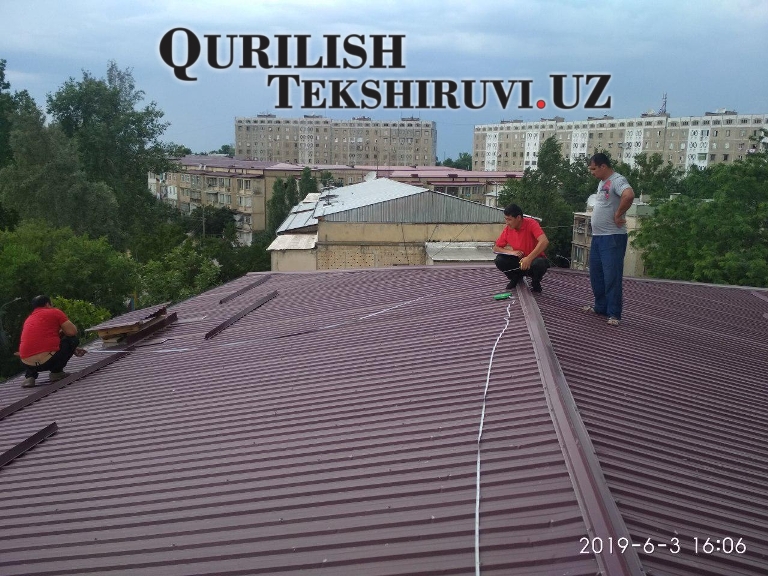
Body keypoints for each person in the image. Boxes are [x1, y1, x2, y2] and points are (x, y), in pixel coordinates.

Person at [585, 153, 635, 326]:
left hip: (612, 237)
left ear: (603, 166)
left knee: (611, 275)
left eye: (593, 169)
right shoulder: (602, 182)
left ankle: (614, 313)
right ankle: (601, 307)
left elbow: (628, 195)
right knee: (596, 274)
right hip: (598, 237)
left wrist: (618, 214)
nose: (592, 172)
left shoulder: (617, 180)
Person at [18, 295, 82, 388]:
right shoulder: (54, 312)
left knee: (30, 349)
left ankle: (30, 377)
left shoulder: (28, 319)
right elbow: (72, 332)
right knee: (72, 340)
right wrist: (70, 346)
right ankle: (56, 372)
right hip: (49, 360)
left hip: (27, 363)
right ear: (48, 304)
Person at [493, 204, 550, 293]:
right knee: (499, 260)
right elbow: (496, 248)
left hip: (533, 262)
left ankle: (535, 282)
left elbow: (544, 241)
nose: (507, 222)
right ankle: (515, 277)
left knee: (540, 263)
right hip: (519, 263)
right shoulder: (508, 229)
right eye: (506, 219)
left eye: (509, 219)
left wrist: (529, 258)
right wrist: (512, 252)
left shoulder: (531, 223)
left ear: (519, 218)